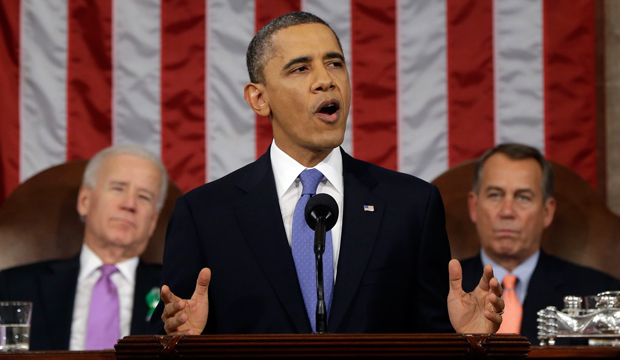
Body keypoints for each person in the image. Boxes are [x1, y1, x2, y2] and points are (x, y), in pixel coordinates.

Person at [150, 11, 504, 336]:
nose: (325, 80)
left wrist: (468, 340)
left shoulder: (411, 205)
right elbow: (168, 330)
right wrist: (180, 342)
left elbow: (431, 337)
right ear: (259, 99)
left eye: (335, 63)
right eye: (300, 68)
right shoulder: (204, 214)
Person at [0, 144, 168, 350]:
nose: (129, 204)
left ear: (153, 221)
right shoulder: (13, 287)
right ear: (84, 200)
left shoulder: (176, 296)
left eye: (144, 197)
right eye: (118, 188)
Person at [460, 143, 620, 344]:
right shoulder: (440, 290)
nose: (507, 211)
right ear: (474, 207)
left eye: (523, 197)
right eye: (495, 195)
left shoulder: (598, 293)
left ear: (547, 212)